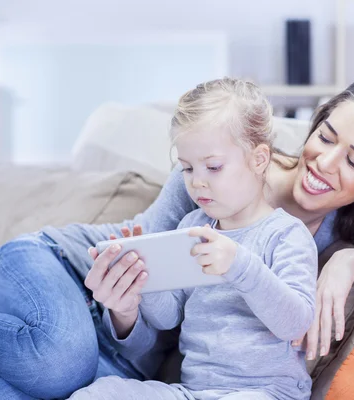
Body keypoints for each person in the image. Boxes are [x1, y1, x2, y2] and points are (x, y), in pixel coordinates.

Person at [0, 74, 354, 399]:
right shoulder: (214, 181)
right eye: (325, 136)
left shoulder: (340, 235)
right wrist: (126, 309)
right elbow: (148, 285)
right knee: (60, 361)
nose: (325, 161)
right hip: (60, 271)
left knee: (8, 390)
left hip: (119, 350)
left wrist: (353, 263)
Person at [70, 77, 317, 400]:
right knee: (101, 394)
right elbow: (166, 316)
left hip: (266, 391)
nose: (197, 182)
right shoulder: (192, 225)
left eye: (213, 167)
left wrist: (239, 265)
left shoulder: (286, 234)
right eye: (187, 169)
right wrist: (145, 279)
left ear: (258, 160)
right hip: (195, 392)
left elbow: (295, 323)